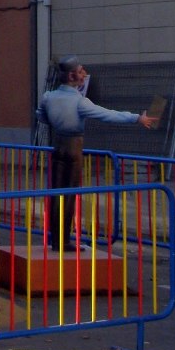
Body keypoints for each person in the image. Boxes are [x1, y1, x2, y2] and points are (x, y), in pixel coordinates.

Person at [37, 55, 157, 251]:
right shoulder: (79, 102)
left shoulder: (49, 97)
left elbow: (41, 116)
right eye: (81, 71)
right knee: (69, 194)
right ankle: (63, 241)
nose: (84, 74)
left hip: (57, 146)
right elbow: (108, 114)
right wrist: (136, 118)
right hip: (73, 147)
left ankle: (56, 239)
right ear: (72, 76)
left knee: (56, 193)